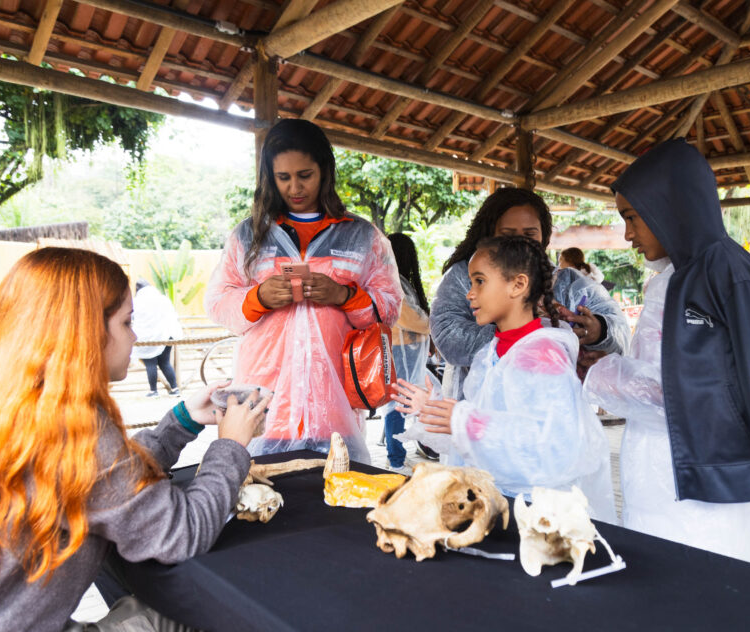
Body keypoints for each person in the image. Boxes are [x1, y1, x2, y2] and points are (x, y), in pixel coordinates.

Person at [0, 247, 270, 632]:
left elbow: (103, 482)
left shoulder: (4, 406)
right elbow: (181, 533)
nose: (136, 337)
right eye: (126, 321)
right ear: (85, 333)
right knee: (200, 630)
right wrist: (232, 445)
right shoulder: (76, 428)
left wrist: (180, 423)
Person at [582, 138, 750, 577]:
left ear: (669, 207)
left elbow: (670, 391)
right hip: (694, 477)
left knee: (701, 595)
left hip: (707, 491)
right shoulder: (695, 274)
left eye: (632, 217)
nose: (627, 233)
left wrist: (595, 371)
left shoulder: (709, 276)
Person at [205, 119, 401, 462]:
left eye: (305, 175)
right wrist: (259, 298)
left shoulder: (361, 236)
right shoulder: (248, 236)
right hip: (267, 406)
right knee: (261, 501)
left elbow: (389, 309)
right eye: (283, 177)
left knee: (339, 500)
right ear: (270, 177)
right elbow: (218, 303)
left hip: (335, 408)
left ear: (324, 171)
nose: (295, 187)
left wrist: (343, 296)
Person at [394, 236, 616, 522]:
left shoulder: (543, 356)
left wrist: (464, 419)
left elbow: (554, 447)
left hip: (537, 517)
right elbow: (481, 434)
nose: (470, 294)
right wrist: (435, 410)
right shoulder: (489, 354)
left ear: (518, 285)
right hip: (495, 507)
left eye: (479, 281)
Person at [430, 187, 629, 399]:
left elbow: (622, 333)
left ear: (543, 236)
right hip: (477, 411)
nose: (520, 243)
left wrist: (598, 329)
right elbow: (447, 334)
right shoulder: (466, 273)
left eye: (529, 234)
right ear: (490, 234)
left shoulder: (568, 282)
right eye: (508, 235)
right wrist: (530, 332)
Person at [382, 233, 431, 474]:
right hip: (399, 350)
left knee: (399, 403)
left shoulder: (397, 280)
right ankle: (396, 460)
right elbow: (410, 318)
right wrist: (433, 323)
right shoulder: (393, 282)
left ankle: (397, 454)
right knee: (397, 405)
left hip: (404, 349)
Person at [132, 278, 182, 397]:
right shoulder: (163, 299)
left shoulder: (137, 302)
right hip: (165, 335)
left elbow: (132, 317)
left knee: (150, 364)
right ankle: (175, 389)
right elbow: (172, 315)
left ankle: (153, 391)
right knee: (165, 362)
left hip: (146, 338)